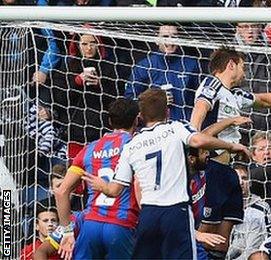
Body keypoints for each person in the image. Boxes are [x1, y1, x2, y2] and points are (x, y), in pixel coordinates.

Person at [82, 89, 250, 259]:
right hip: (175, 211)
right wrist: (231, 146)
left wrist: (101, 185)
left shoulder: (132, 145)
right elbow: (199, 139)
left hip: (148, 215)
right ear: (168, 112)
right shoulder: (175, 128)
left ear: (140, 116)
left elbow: (114, 190)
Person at [190, 46, 271, 257]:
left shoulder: (235, 94)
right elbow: (199, 113)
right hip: (212, 167)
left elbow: (264, 100)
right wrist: (193, 141)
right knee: (206, 230)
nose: (245, 72)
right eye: (242, 66)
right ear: (231, 64)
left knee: (225, 233)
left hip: (230, 170)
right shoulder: (212, 84)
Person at [53, 98, 140, 259]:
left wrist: (67, 232)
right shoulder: (137, 145)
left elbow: (61, 191)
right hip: (121, 224)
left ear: (109, 121)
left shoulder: (89, 149)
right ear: (136, 120)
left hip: (91, 225)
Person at [51, 29, 123, 158]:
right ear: (77, 45)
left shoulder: (109, 67)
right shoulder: (67, 67)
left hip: (102, 131)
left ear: (98, 44)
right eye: (84, 44)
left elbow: (117, 102)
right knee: (76, 170)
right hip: (75, 132)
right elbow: (59, 99)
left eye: (92, 43)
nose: (89, 48)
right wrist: (77, 82)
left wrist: (100, 86)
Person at [125, 24, 203, 121]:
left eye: (174, 37)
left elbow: (201, 98)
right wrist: (153, 100)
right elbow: (129, 100)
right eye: (165, 37)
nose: (170, 41)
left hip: (184, 126)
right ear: (157, 40)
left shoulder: (192, 64)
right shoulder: (144, 66)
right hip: (154, 128)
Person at [227, 166, 271, 259]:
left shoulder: (262, 207)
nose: (241, 182)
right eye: (236, 178)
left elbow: (268, 238)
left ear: (250, 182)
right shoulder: (223, 206)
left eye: (244, 178)